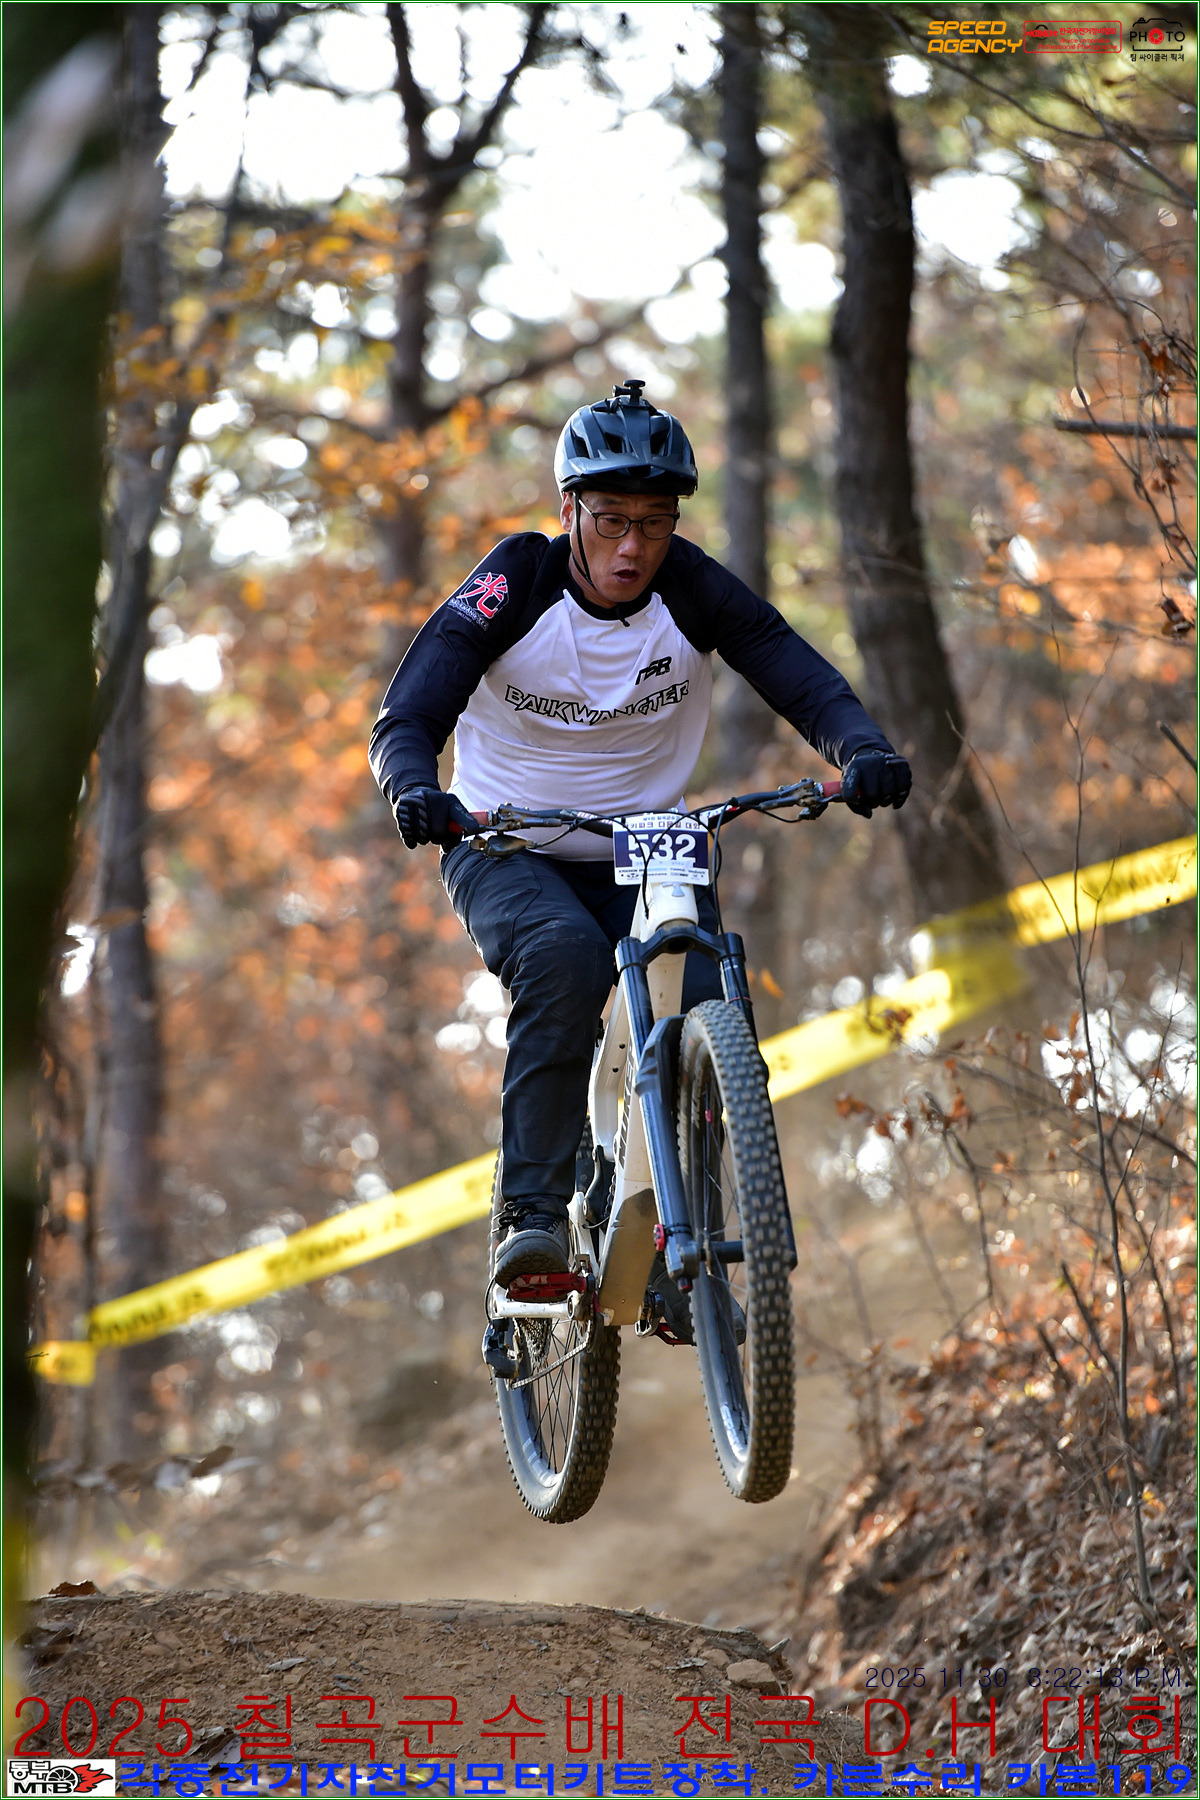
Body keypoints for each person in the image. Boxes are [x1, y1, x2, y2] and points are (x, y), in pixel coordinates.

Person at [369, 380, 911, 1309]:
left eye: (655, 525)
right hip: (504, 840)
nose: (633, 548)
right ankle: (532, 1217)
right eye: (612, 521)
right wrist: (415, 787)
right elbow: (408, 713)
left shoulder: (691, 587)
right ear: (569, 512)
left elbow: (796, 673)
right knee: (565, 958)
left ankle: (681, 1246)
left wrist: (860, 748)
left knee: (700, 994)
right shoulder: (517, 582)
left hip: (648, 845)